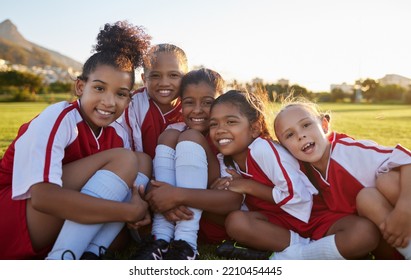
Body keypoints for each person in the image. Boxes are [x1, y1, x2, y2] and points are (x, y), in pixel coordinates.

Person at [0, 21, 152, 260]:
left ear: (129, 98)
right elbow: (42, 197)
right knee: (124, 159)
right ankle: (62, 259)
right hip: (13, 216)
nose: (109, 102)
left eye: (121, 94)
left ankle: (89, 254)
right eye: (100, 88)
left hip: (54, 215)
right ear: (80, 86)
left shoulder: (116, 133)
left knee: (141, 161)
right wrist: (126, 211)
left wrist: (137, 210)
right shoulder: (59, 117)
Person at [209, 90, 379, 260]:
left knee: (365, 233)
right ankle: (313, 251)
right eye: (213, 124)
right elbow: (239, 204)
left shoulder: (263, 150)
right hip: (279, 225)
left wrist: (248, 186)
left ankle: (293, 256)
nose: (220, 130)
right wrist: (221, 190)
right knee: (236, 222)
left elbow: (297, 198)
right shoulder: (224, 160)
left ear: (254, 128)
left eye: (230, 122)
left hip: (313, 216)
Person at [273, 98, 411, 259]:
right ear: (285, 148)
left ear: (324, 125)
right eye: (289, 135)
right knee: (367, 200)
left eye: (306, 125)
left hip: (404, 212)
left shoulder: (349, 152)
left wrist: (404, 208)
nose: (300, 135)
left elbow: (407, 158)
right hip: (385, 236)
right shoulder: (302, 171)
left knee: (384, 183)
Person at [133, 68, 243, 260]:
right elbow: (160, 184)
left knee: (190, 137)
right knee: (171, 135)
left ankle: (186, 245)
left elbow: (232, 201)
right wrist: (165, 198)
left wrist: (176, 196)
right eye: (189, 102)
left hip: (214, 219)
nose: (198, 110)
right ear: (180, 104)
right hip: (175, 217)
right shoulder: (174, 131)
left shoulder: (225, 137)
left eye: (208, 103)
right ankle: (160, 239)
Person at [121, 43, 188, 159]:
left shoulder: (192, 106)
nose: (164, 83)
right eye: (155, 76)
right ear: (144, 79)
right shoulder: (132, 104)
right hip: (139, 170)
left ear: (186, 77)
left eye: (173, 75)